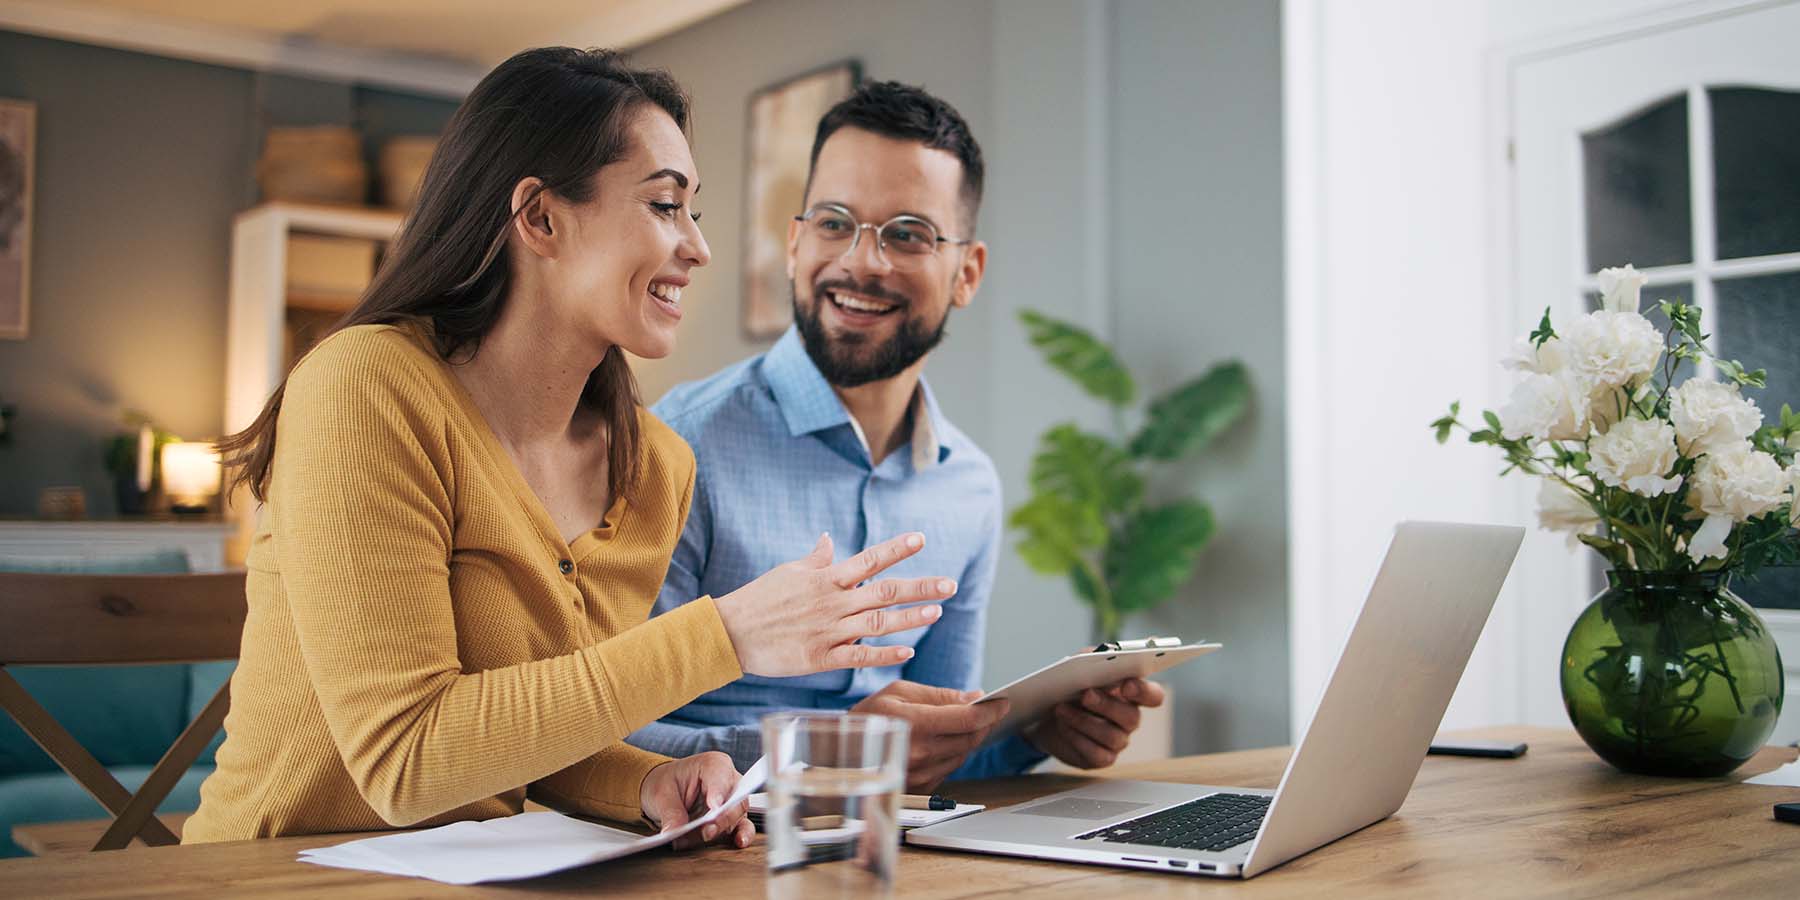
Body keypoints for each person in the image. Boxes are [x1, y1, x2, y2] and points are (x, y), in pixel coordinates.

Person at [184, 49, 956, 847]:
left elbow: (532, 734)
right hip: (271, 876)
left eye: (696, 213)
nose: (698, 247)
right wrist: (725, 635)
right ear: (541, 218)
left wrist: (647, 780)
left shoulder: (655, 468)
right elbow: (406, 761)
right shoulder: (366, 388)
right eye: (665, 205)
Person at [627, 82, 1165, 791]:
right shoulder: (678, 444)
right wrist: (830, 749)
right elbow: (608, 736)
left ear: (966, 273)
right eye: (834, 223)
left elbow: (931, 754)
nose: (864, 261)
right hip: (709, 853)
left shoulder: (968, 487)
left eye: (907, 233)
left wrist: (1036, 732)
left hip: (899, 856)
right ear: (794, 243)